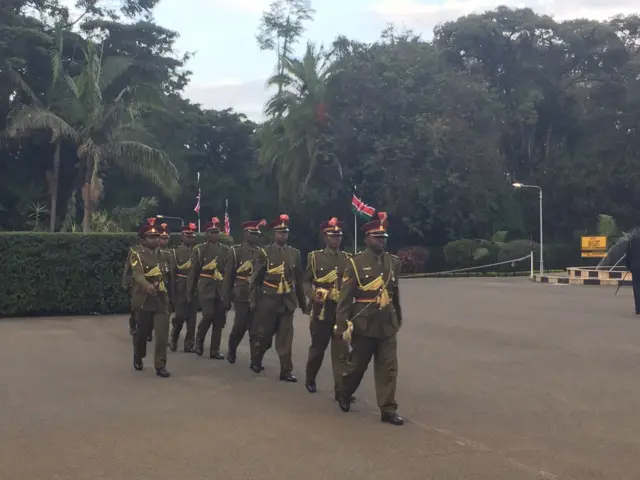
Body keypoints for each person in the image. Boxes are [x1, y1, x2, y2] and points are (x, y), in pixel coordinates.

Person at [334, 212, 404, 426]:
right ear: (366, 239)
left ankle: (388, 408)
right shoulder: (355, 263)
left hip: (386, 324)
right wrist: (342, 324)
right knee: (356, 367)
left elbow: (394, 293)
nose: (381, 241)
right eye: (376, 237)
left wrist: (397, 318)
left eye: (383, 237)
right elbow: (345, 298)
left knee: (389, 368)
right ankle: (344, 392)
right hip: (364, 323)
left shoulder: (393, 262)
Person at [248, 213, 308, 381]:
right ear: (274, 234)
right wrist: (253, 300)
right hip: (268, 300)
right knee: (264, 336)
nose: (283, 235)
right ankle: (256, 359)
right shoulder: (264, 253)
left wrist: (303, 304)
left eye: (286, 232)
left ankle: (286, 371)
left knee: (285, 338)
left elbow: (299, 279)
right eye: (280, 232)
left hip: (287, 300)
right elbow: (255, 279)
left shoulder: (294, 253)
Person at [303, 217, 352, 400]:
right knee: (318, 349)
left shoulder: (347, 259)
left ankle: (341, 389)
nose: (336, 239)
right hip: (321, 310)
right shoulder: (315, 257)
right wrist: (311, 294)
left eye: (339, 236)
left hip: (340, 310)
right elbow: (306, 280)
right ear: (325, 237)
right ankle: (310, 378)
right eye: (333, 236)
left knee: (341, 352)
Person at [130, 218, 171, 378]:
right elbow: (138, 275)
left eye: (157, 237)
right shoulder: (137, 255)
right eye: (151, 237)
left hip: (161, 301)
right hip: (144, 300)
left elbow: (170, 278)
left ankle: (160, 365)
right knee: (141, 334)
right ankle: (138, 355)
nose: (155, 239)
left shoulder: (166, 256)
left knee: (161, 335)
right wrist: (147, 286)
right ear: (144, 239)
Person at [223, 219, 265, 364]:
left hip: (257, 295)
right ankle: (232, 347)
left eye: (257, 234)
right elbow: (228, 277)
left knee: (256, 330)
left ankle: (255, 361)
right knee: (240, 326)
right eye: (252, 233)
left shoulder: (261, 253)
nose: (255, 237)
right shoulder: (236, 251)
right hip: (241, 293)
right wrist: (226, 298)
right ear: (246, 233)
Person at [188, 217, 230, 359]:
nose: (215, 235)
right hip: (205, 286)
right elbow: (193, 273)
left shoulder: (226, 250)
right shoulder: (200, 250)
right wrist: (190, 292)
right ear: (206, 234)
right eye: (212, 232)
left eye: (217, 232)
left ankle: (214, 350)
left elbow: (228, 271)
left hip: (220, 286)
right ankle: (199, 341)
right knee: (208, 315)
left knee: (219, 319)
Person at [169, 223, 198, 352]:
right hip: (180, 288)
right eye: (187, 235)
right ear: (182, 236)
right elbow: (172, 275)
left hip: (194, 289)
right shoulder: (174, 253)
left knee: (192, 319)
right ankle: (174, 338)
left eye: (192, 235)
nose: (190, 238)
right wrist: (172, 294)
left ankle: (189, 344)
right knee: (179, 317)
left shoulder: (197, 252)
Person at [122, 237, 142, 336]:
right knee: (136, 307)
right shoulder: (134, 252)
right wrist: (126, 282)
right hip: (136, 283)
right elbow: (128, 268)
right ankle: (133, 323)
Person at [625, 232, 640, 313]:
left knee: (637, 287)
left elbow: (628, 253)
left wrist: (628, 266)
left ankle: (638, 308)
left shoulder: (632, 239)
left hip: (635, 266)